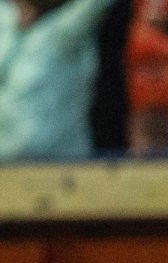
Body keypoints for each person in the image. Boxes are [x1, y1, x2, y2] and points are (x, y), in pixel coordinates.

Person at [0, 0, 118, 159]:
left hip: (63, 162)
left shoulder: (63, 35)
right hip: (7, 164)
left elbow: (93, 5)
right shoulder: (7, 30)